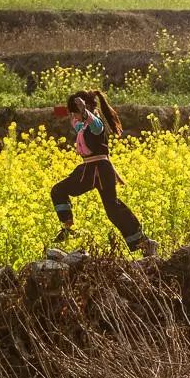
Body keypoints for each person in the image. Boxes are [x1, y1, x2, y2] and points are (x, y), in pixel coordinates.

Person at [51, 90, 157, 256]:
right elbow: (75, 120)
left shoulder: (96, 124)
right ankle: (67, 227)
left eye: (76, 112)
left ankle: (143, 242)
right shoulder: (82, 126)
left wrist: (84, 110)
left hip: (99, 170)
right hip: (89, 169)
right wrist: (66, 110)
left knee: (112, 208)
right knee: (60, 190)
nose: (75, 116)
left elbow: (92, 121)